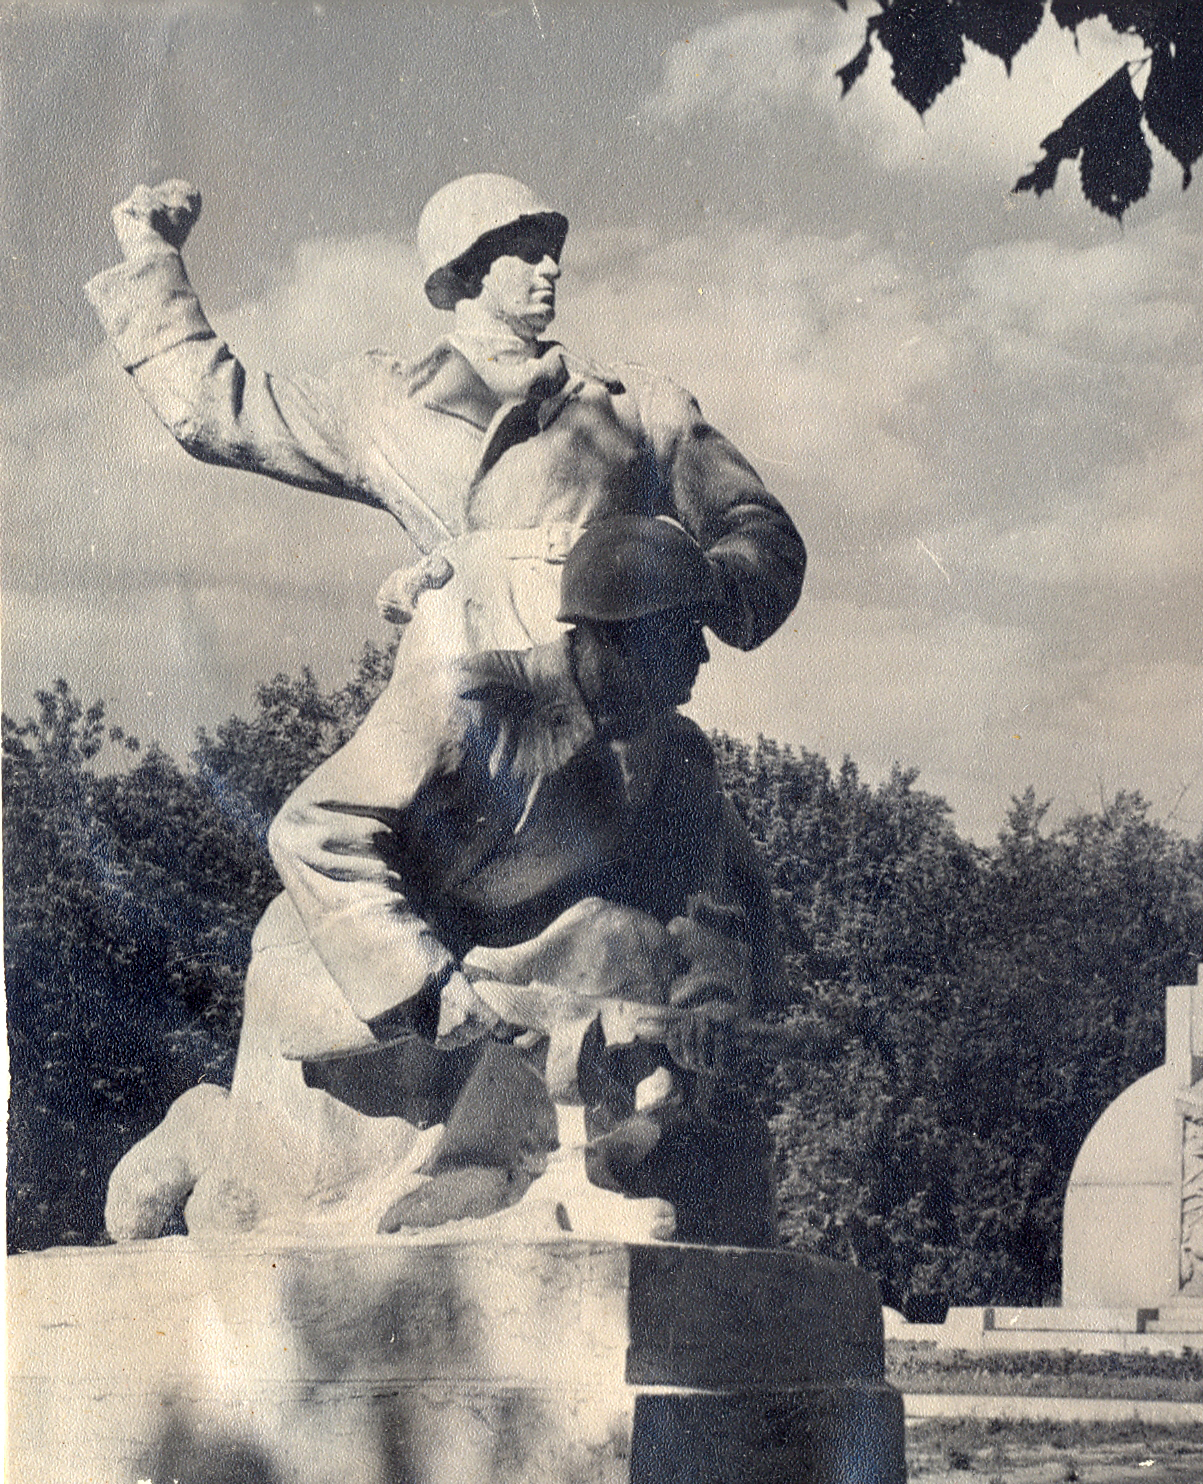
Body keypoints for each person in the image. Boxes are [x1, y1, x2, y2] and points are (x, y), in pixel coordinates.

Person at [106, 517, 779, 1244]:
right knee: (273, 1210)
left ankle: (513, 1179)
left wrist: (704, 1001)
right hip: (357, 967)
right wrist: (430, 986)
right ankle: (207, 1126)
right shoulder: (470, 702)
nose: (704, 657)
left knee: (624, 941)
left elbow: (706, 903)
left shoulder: (675, 758)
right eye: (686, 634)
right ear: (619, 636)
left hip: (505, 975)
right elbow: (312, 828)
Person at [85, 174, 804, 671]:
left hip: (618, 710)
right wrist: (153, 260)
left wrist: (693, 585)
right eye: (524, 249)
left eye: (553, 249)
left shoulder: (636, 406)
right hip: (462, 703)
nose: (551, 266)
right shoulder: (381, 402)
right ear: (465, 270)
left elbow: (761, 530)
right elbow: (216, 409)